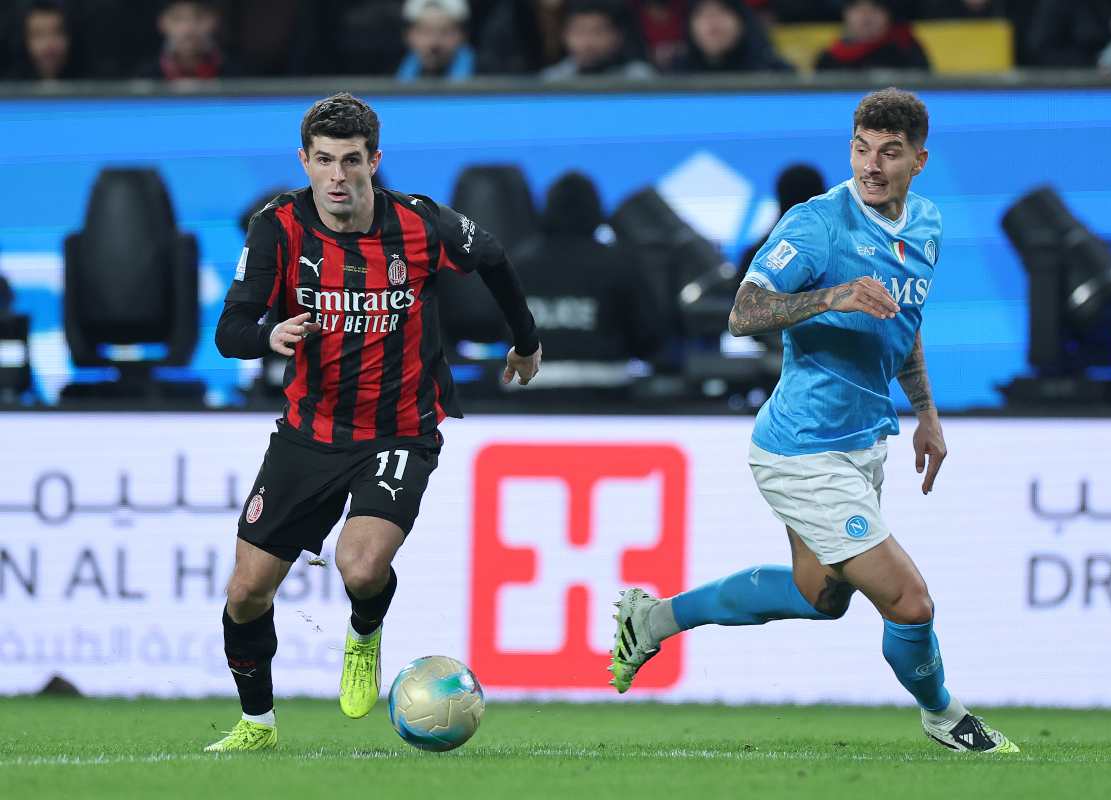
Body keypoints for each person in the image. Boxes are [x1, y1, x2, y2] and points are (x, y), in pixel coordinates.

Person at [610, 88, 1019, 754]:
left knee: (819, 597)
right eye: (861, 149)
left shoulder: (927, 225)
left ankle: (652, 620)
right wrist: (833, 295)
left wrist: (925, 412)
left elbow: (903, 322)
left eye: (890, 152)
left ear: (919, 160)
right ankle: (945, 717)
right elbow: (743, 313)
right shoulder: (817, 225)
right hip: (802, 449)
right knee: (909, 601)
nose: (872, 165)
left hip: (863, 440)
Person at [206, 92, 541, 752]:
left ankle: (364, 633)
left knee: (359, 568)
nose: (337, 176)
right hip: (309, 433)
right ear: (304, 161)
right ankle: (257, 725)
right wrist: (268, 335)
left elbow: (493, 255)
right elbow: (229, 330)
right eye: (324, 160)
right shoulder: (277, 228)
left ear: (374, 161)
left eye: (351, 160)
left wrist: (525, 341)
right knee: (245, 592)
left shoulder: (419, 223)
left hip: (400, 430)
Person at [511, 171, 666, 377]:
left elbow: (492, 327)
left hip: (525, 388)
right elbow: (648, 338)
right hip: (605, 391)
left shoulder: (516, 266)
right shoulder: (618, 264)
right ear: (597, 213)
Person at [669, 0, 795, 73]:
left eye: (722, 11)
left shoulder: (774, 72)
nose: (712, 21)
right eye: (701, 13)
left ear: (742, 20)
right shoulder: (674, 76)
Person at [541, 0, 656, 80]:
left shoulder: (640, 79)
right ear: (564, 35)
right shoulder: (551, 81)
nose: (587, 43)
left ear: (618, 36)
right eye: (579, 32)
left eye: (598, 32)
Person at [815, 0, 930, 72]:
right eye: (858, 9)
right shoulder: (830, 57)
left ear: (888, 15)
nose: (866, 16)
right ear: (845, 14)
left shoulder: (906, 49)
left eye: (875, 9)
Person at [139, 0, 236, 80]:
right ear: (162, 23)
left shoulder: (236, 75)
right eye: (177, 18)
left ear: (214, 21)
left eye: (198, 17)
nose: (188, 28)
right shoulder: (144, 79)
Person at [396, 0, 476, 81]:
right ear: (408, 35)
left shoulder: (481, 71)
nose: (434, 42)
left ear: (463, 35)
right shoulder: (393, 70)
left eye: (445, 32)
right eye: (425, 32)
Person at [7, 0, 82, 81]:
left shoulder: (87, 81)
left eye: (58, 33)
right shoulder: (9, 84)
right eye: (39, 34)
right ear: (25, 40)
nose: (49, 44)